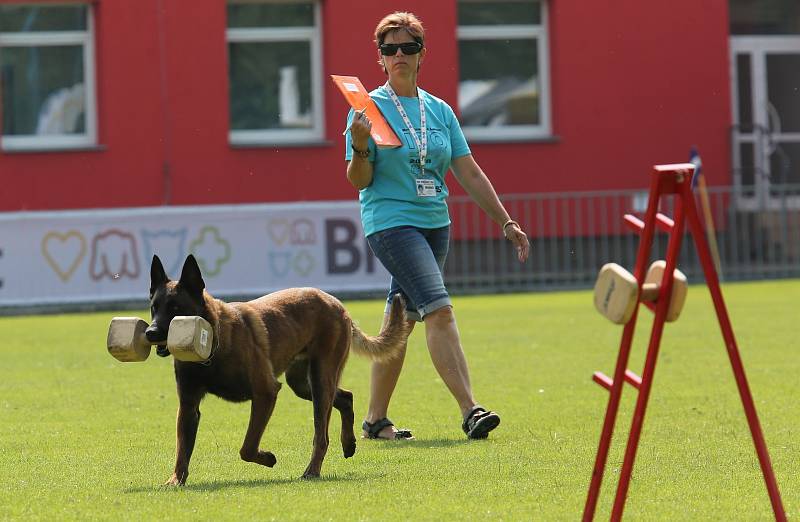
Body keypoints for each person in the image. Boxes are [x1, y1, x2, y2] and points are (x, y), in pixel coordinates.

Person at [344, 11, 530, 441]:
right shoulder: (367, 108)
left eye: (408, 47)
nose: (399, 55)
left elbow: (469, 173)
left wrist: (506, 222)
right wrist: (358, 146)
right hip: (391, 223)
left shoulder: (439, 110)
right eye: (389, 49)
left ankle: (374, 421)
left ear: (422, 54)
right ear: (381, 58)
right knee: (438, 309)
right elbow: (359, 180)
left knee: (402, 320)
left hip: (435, 222)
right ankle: (471, 410)